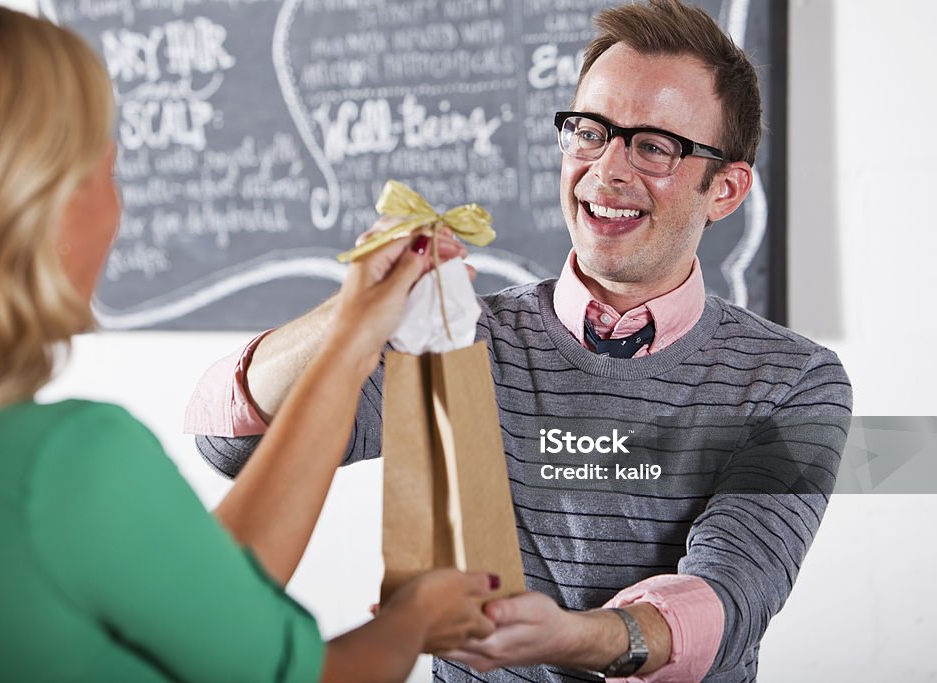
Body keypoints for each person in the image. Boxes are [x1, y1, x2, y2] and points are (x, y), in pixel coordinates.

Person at [186, 0, 852, 681]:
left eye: (654, 146)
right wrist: (348, 315)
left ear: (727, 190)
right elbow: (232, 440)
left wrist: (571, 636)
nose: (607, 170)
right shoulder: (456, 339)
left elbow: (734, 596)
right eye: (591, 132)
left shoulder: (793, 380)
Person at [0, 3, 499, 681]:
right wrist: (414, 620)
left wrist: (351, 334)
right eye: (105, 169)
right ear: (37, 202)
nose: (117, 204)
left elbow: (208, 594)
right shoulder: (66, 463)